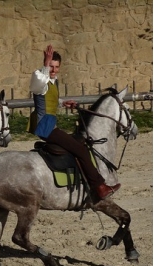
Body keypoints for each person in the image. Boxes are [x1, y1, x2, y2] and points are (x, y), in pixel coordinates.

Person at [28, 44, 120, 200]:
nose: (53, 70)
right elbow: (37, 87)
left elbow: (48, 100)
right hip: (45, 126)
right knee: (81, 150)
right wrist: (45, 64)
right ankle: (100, 187)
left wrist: (62, 103)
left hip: (50, 125)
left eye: (56, 67)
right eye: (51, 66)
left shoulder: (51, 81)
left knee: (80, 144)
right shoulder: (40, 77)